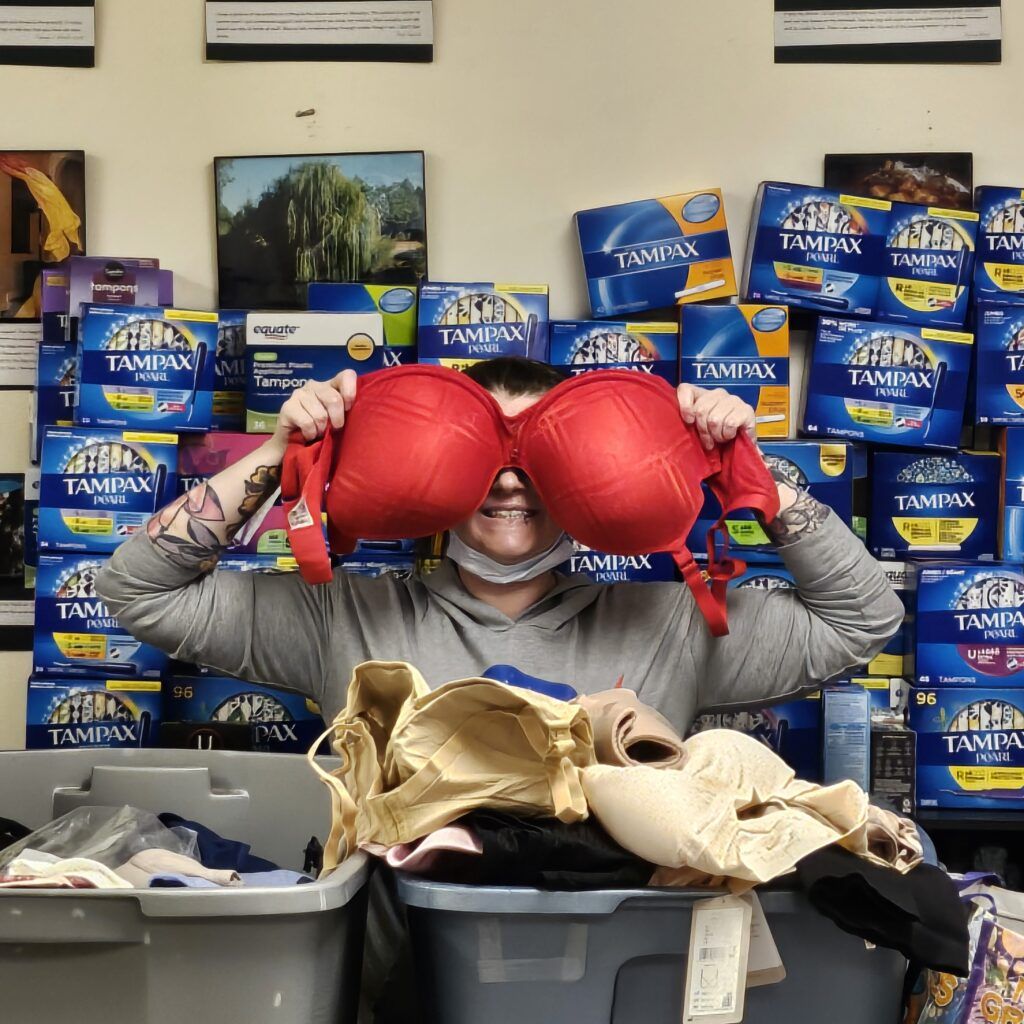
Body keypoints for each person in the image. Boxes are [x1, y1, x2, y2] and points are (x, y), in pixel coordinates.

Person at [96, 357, 903, 734]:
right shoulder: (342, 617)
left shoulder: (673, 624)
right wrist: (284, 453)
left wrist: (741, 466)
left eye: (542, 456)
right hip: (405, 982)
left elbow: (862, 618)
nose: (511, 480)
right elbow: (138, 590)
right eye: (482, 452)